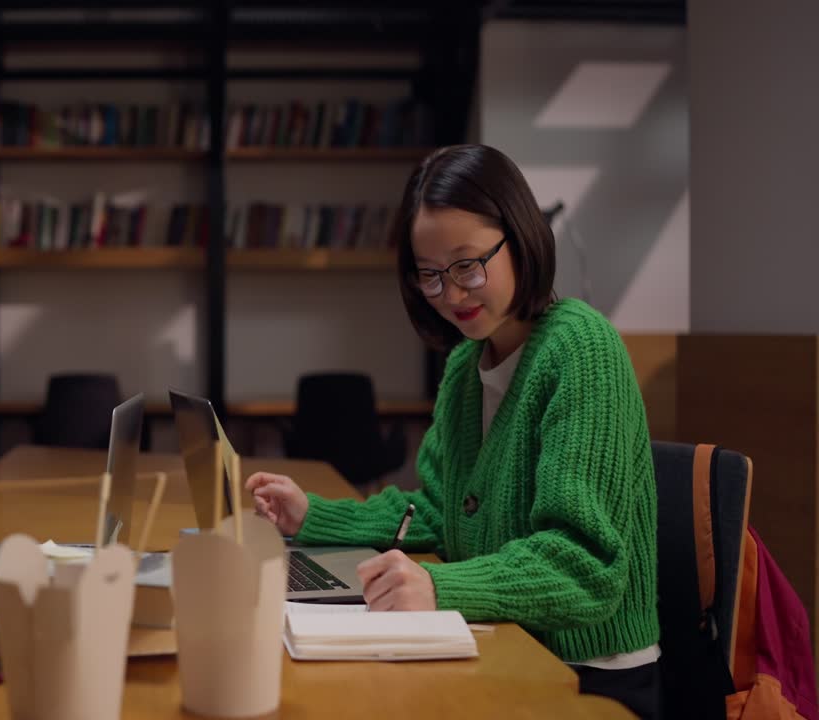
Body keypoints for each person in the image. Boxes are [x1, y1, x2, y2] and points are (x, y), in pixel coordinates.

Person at [247, 145, 660, 719]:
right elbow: (439, 512)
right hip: (503, 639)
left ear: (520, 236)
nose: (452, 294)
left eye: (467, 265)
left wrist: (440, 589)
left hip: (586, 674)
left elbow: (583, 566)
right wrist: (312, 516)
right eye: (431, 275)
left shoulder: (581, 349)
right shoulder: (467, 364)